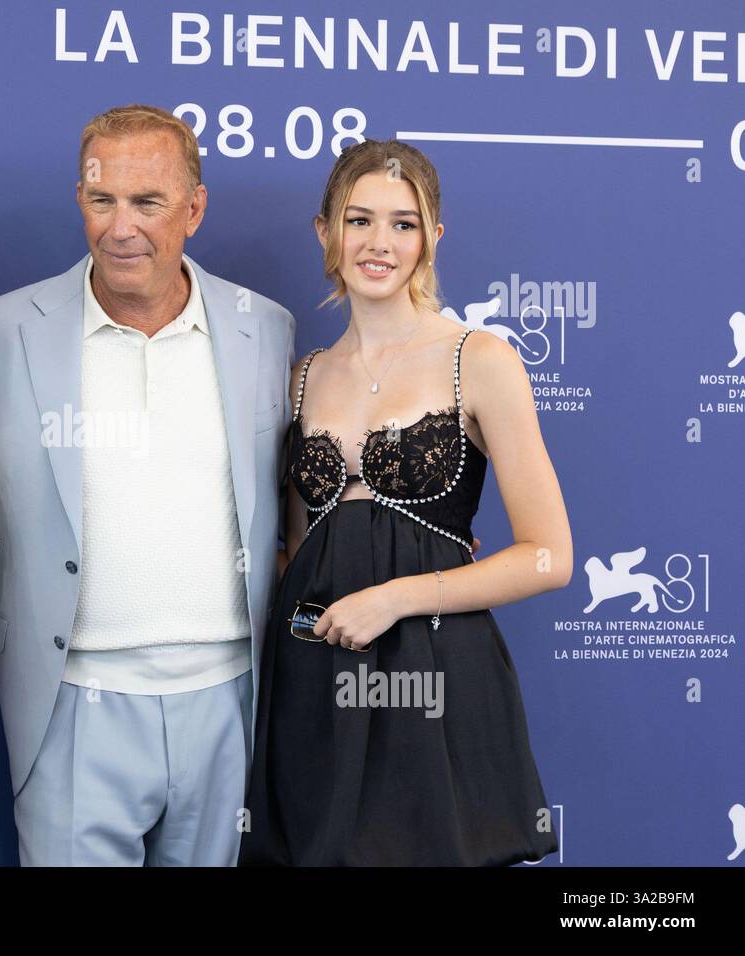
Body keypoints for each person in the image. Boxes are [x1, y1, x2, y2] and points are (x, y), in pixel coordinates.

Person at [0, 105, 296, 865]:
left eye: (148, 202)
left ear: (195, 209)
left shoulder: (264, 329)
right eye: (101, 200)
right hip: (69, 705)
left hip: (229, 702)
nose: (120, 227)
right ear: (80, 198)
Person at [240, 139, 569, 866]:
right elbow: (300, 550)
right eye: (358, 221)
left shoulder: (479, 359)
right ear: (325, 231)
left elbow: (550, 558)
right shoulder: (302, 377)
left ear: (433, 237)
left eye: (403, 223)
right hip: (316, 673)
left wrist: (395, 597)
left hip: (435, 676)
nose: (378, 243)